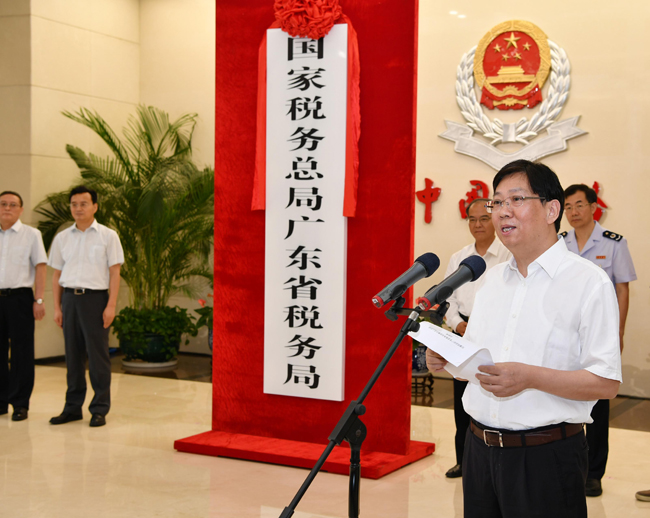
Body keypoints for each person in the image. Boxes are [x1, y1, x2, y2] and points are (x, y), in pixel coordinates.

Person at [427, 160, 621, 518]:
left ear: (551, 210)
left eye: (516, 199)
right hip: (479, 451)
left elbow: (606, 383)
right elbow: (481, 365)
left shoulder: (588, 282)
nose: (503, 211)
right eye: (497, 202)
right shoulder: (491, 281)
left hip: (545, 457)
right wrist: (449, 360)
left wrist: (530, 377)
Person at [562, 183, 636, 497]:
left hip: (599, 333)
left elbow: (622, 288)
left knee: (598, 405)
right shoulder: (559, 242)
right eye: (567, 206)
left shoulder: (613, 242)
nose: (573, 212)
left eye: (579, 205)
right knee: (564, 399)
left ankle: (593, 473)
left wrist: (618, 332)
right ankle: (567, 467)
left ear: (594, 207)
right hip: (566, 333)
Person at [442, 198, 510, 478]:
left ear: (493, 220)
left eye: (483, 218)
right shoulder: (459, 257)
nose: (477, 224)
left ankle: (492, 462)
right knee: (462, 401)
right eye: (472, 219)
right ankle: (463, 461)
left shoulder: (507, 255)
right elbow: (447, 298)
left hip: (496, 336)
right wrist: (457, 325)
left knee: (491, 398)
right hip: (462, 334)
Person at [48, 186, 124, 427]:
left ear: (95, 207)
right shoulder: (62, 238)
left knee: (98, 356)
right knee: (72, 357)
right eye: (74, 204)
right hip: (69, 299)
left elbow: (115, 273)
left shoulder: (108, 236)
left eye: (83, 204)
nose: (78, 208)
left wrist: (111, 305)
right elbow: (56, 275)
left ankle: (99, 408)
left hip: (95, 300)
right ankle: (72, 408)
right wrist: (57, 307)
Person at [0, 191, 47, 422]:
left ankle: (20, 403)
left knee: (22, 352)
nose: (7, 208)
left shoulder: (31, 234)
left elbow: (40, 267)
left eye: (12, 205)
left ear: (20, 209)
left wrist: (39, 300)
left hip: (20, 299)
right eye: (3, 204)